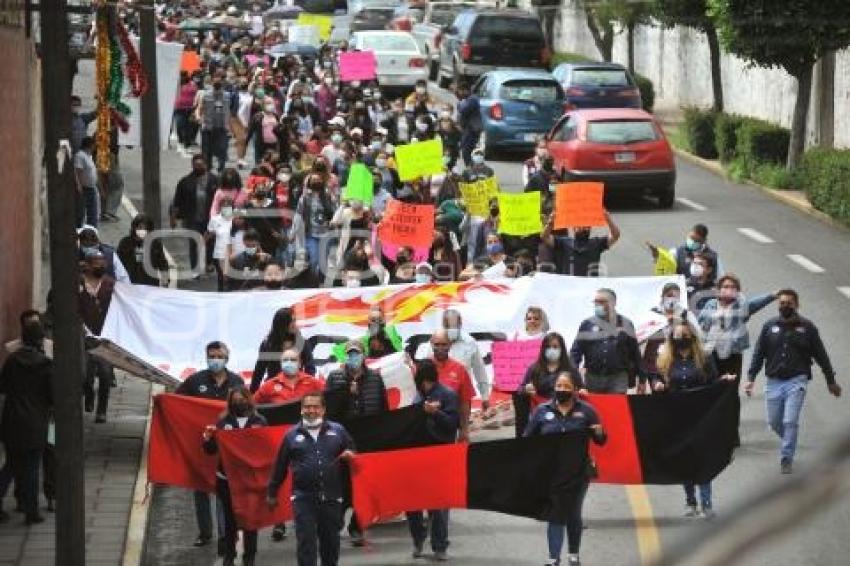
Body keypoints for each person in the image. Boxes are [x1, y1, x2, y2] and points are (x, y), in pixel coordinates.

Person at [745, 289, 841, 474]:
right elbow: (759, 354)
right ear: (778, 305)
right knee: (774, 422)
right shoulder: (769, 326)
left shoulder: (807, 328)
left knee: (790, 421)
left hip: (797, 380)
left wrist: (831, 380)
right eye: (782, 303)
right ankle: (790, 440)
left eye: (789, 303)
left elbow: (821, 355)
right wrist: (750, 378)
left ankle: (786, 457)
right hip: (773, 381)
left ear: (796, 305)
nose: (785, 306)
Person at [653, 319, 735, 518]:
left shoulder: (704, 359)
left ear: (693, 337)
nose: (682, 338)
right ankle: (690, 501)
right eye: (678, 335)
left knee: (703, 459)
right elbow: (655, 378)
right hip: (677, 417)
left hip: (701, 415)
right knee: (684, 460)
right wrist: (657, 384)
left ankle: (706, 503)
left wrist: (723, 381)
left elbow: (713, 381)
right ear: (672, 339)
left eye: (685, 335)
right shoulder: (666, 361)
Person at [525, 372, 607, 566]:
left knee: (573, 513)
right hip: (551, 473)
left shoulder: (587, 411)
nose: (562, 390)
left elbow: (601, 441)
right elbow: (527, 438)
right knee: (555, 512)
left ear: (575, 390)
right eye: (559, 386)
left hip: (578, 472)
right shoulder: (541, 411)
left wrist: (600, 432)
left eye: (566, 386)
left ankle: (573, 555)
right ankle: (553, 559)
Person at [267, 392, 356, 566]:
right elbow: (280, 466)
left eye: (316, 406)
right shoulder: (291, 435)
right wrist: (272, 492)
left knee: (331, 543)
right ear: (301, 410)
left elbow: (353, 449)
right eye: (307, 407)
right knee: (306, 544)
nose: (311, 410)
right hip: (303, 498)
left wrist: (351, 454)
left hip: (332, 498)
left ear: (323, 409)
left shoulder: (338, 430)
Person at [176, 341, 244, 550]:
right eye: (211, 356)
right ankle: (205, 532)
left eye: (219, 356)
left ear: (227, 357)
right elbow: (176, 401)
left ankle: (226, 534)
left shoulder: (236, 381)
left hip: (227, 446)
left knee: (224, 491)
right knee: (200, 489)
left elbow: (245, 409)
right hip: (203, 444)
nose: (215, 359)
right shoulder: (195, 381)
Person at [324, 340, 387, 546]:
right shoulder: (334, 378)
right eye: (350, 354)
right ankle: (335, 522)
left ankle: (357, 526)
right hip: (341, 439)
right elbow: (329, 410)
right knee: (341, 484)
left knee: (364, 484)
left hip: (369, 439)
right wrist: (345, 394)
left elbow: (384, 411)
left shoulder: (376, 379)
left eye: (357, 354)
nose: (353, 358)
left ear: (363, 355)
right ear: (345, 356)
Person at [202, 387, 267, 566]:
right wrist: (207, 439)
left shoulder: (260, 421)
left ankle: (249, 557)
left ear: (249, 400)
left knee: (250, 519)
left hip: (250, 481)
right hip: (227, 479)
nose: (239, 403)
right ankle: (229, 556)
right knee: (230, 520)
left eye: (242, 399)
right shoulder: (223, 422)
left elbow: (265, 449)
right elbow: (211, 451)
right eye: (235, 400)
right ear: (230, 402)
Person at [406, 360, 460, 562]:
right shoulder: (417, 396)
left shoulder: (448, 395)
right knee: (412, 503)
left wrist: (435, 412)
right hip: (417, 456)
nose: (423, 384)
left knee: (438, 505)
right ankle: (418, 538)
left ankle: (439, 545)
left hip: (441, 456)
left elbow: (452, 425)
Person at [0, 318, 53, 525]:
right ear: (41, 341)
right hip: (35, 422)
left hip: (12, 420)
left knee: (11, 464)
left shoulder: (12, 361)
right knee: (31, 467)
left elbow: (2, 386)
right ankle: (31, 511)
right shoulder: (46, 365)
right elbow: (52, 396)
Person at [698, 275, 777, 381]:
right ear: (719, 290)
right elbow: (701, 323)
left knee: (730, 387)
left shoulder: (740, 307)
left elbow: (754, 304)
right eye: (725, 287)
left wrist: (772, 296)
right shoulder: (710, 304)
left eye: (733, 287)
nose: (729, 290)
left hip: (732, 354)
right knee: (712, 384)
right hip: (711, 353)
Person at [570, 288, 644, 393]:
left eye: (601, 302)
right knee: (594, 408)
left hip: (618, 378)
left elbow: (635, 352)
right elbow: (575, 352)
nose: (597, 305)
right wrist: (573, 376)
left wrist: (642, 378)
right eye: (596, 302)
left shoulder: (626, 324)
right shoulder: (587, 324)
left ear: (613, 303)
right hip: (593, 377)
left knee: (615, 407)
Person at [420, 309, 490, 414]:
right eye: (448, 327)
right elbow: (425, 369)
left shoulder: (469, 343)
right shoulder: (435, 341)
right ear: (443, 325)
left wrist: (485, 396)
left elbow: (480, 371)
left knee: (463, 426)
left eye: (455, 326)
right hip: (438, 397)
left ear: (460, 324)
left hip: (462, 396)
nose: (452, 330)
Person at [515, 332, 585, 437]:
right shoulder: (534, 368)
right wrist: (526, 389)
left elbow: (581, 388)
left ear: (562, 349)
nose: (552, 349)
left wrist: (582, 391)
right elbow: (520, 389)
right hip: (542, 417)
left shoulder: (570, 368)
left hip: (567, 416)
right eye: (548, 347)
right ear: (543, 349)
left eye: (555, 347)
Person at [79, 250, 116, 423]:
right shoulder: (77, 283)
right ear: (87, 265)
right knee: (85, 374)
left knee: (105, 373)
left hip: (105, 338)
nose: (100, 265)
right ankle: (89, 394)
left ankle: (102, 410)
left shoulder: (110, 284)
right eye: (96, 262)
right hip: (83, 337)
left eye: (103, 262)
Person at [171, 154, 220, 271]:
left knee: (210, 241)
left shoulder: (215, 180)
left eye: (200, 164)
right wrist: (173, 218)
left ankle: (209, 263)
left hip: (210, 218)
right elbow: (177, 201)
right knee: (193, 243)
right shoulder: (185, 182)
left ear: (206, 165)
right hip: (192, 218)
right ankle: (195, 267)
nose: (198, 167)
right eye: (196, 165)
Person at [541, 210, 620, 277]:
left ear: (590, 228)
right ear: (574, 228)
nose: (582, 228)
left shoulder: (597, 243)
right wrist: (551, 223)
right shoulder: (564, 242)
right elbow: (545, 237)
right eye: (579, 226)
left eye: (586, 226)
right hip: (569, 285)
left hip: (589, 285)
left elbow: (615, 236)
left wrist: (608, 219)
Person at [250, 307, 311, 393]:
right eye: (291, 321)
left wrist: (306, 387)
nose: (294, 324)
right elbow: (259, 372)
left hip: (296, 388)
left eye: (294, 320)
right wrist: (252, 395)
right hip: (274, 390)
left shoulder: (301, 342)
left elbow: (310, 367)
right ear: (282, 324)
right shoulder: (268, 345)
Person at [331, 306, 402, 363]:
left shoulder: (392, 337)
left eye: (379, 320)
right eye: (373, 320)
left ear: (384, 321)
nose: (376, 323)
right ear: (368, 322)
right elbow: (339, 353)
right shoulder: (362, 342)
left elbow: (401, 354)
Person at [116, 213, 168, 286]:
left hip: (150, 284)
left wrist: (165, 279)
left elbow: (163, 263)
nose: (143, 231)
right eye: (140, 228)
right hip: (130, 283)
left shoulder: (155, 244)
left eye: (146, 228)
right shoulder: (125, 243)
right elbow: (118, 264)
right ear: (134, 228)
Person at [197, 78, 233, 172]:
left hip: (222, 126)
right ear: (213, 86)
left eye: (219, 87)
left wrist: (229, 126)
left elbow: (229, 110)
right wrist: (199, 117)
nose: (218, 90)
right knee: (207, 150)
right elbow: (200, 108)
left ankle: (221, 167)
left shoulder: (227, 95)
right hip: (208, 127)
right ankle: (208, 168)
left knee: (223, 148)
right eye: (216, 87)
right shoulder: (206, 95)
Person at [74, 136, 100, 228]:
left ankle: (92, 232)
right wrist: (78, 185)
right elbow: (77, 172)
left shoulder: (89, 156)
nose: (95, 147)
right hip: (83, 189)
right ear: (90, 145)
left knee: (92, 214)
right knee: (80, 213)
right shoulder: (80, 156)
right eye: (94, 145)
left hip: (91, 188)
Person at [456, 83, 482, 167]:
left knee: (467, 150)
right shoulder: (467, 99)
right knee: (466, 150)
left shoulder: (472, 99)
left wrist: (460, 103)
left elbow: (463, 109)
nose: (459, 93)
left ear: (465, 90)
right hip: (468, 128)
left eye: (460, 91)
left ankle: (471, 168)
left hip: (472, 129)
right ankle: (471, 167)